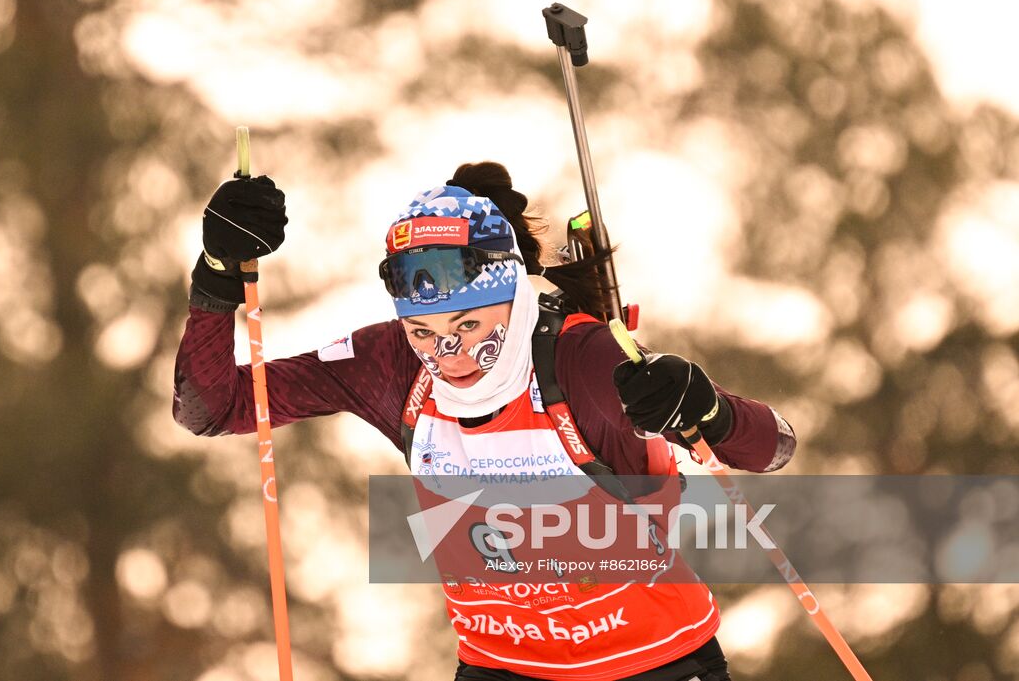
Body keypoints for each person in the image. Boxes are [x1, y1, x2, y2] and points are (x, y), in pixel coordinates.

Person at [173, 161, 797, 681]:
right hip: (500, 665)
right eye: (424, 330)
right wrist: (218, 273)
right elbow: (213, 408)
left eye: (469, 325)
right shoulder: (390, 364)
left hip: (649, 661)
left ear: (514, 293)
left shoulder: (584, 361)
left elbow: (775, 448)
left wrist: (707, 412)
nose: (451, 355)